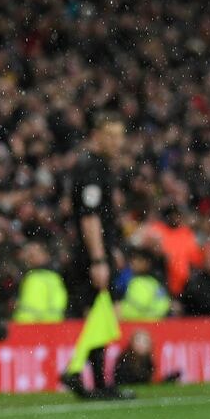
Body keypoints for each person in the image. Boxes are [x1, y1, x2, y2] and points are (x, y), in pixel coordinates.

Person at [59, 114, 132, 400]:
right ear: (97, 136)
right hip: (91, 254)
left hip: (97, 250)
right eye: (111, 136)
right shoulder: (92, 169)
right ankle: (89, 376)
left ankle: (87, 376)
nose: (117, 142)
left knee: (101, 315)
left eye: (120, 136)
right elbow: (89, 217)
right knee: (104, 314)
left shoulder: (96, 167)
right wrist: (99, 259)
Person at [12, 241, 67, 324]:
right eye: (29, 253)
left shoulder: (36, 277)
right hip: (48, 326)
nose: (30, 257)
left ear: (46, 255)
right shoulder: (52, 277)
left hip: (33, 326)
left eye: (33, 253)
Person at [118, 248, 171, 322]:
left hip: (142, 324)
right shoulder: (154, 282)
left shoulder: (140, 282)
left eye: (139, 260)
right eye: (133, 260)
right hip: (156, 324)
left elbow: (138, 308)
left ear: (147, 263)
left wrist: (121, 309)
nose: (134, 263)